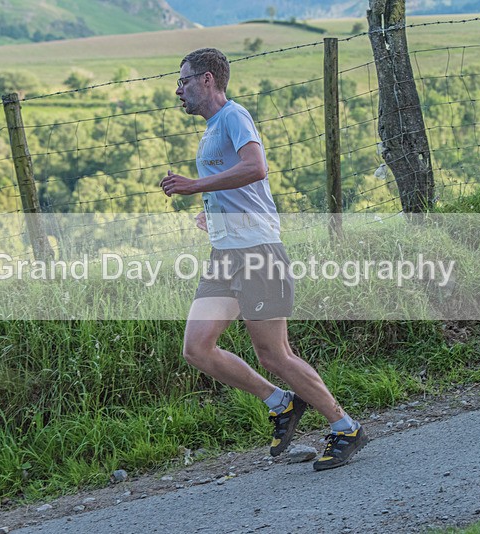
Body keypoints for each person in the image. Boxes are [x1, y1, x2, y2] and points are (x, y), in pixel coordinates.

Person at [159, 48, 366, 471]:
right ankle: (281, 402)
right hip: (226, 253)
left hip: (257, 253)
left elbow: (257, 167)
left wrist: (196, 185)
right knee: (197, 347)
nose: (177, 90)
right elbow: (237, 186)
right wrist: (214, 214)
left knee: (274, 354)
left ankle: (345, 427)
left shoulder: (234, 117)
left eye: (183, 81)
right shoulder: (211, 128)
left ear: (207, 80)